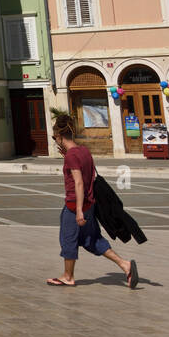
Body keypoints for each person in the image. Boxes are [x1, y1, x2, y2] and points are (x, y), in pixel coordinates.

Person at [47, 119, 138, 289]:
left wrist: (79, 211)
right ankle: (125, 265)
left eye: (54, 137)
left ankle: (68, 276)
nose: (55, 140)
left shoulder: (72, 156)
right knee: (92, 240)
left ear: (59, 136)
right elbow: (87, 173)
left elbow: (79, 182)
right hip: (90, 203)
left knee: (68, 239)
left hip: (75, 205)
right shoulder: (83, 151)